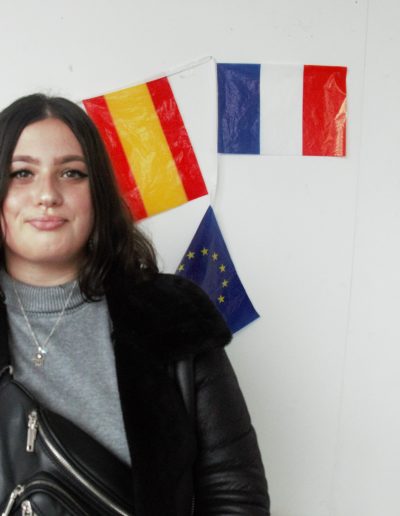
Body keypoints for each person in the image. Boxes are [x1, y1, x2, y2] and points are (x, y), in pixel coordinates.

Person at [0, 94, 270, 515]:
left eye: (72, 173)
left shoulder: (172, 315)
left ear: (98, 193)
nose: (47, 194)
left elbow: (235, 495)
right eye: (22, 173)